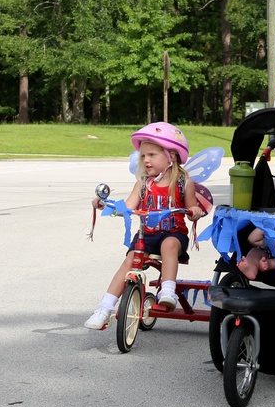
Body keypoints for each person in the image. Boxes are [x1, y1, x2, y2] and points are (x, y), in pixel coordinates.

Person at [84, 122, 208, 330]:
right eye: (143, 156)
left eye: (152, 155)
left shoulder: (182, 182)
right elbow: (128, 207)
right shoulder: (143, 183)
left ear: (171, 156)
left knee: (168, 245)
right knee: (129, 261)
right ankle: (104, 309)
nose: (146, 160)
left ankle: (168, 291)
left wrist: (194, 211)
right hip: (147, 236)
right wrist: (105, 204)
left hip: (173, 234)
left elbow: (193, 207)